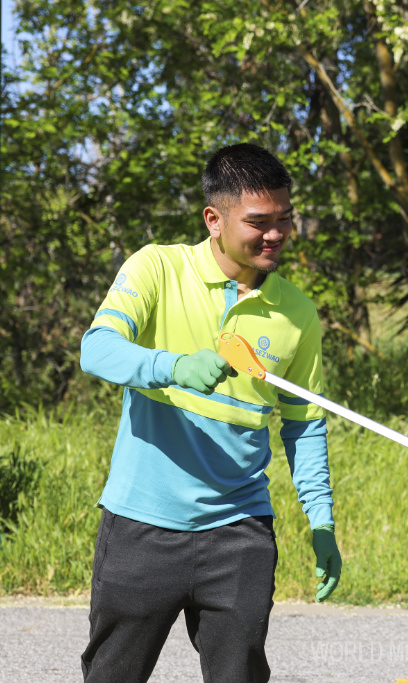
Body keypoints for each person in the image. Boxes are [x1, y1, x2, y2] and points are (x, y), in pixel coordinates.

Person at [79, 143, 342, 683]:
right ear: (214, 219)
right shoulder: (157, 267)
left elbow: (304, 424)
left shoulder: (296, 311)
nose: (276, 234)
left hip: (239, 531)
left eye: (285, 220)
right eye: (259, 222)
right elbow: (96, 348)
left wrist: (321, 519)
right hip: (141, 526)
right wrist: (170, 366)